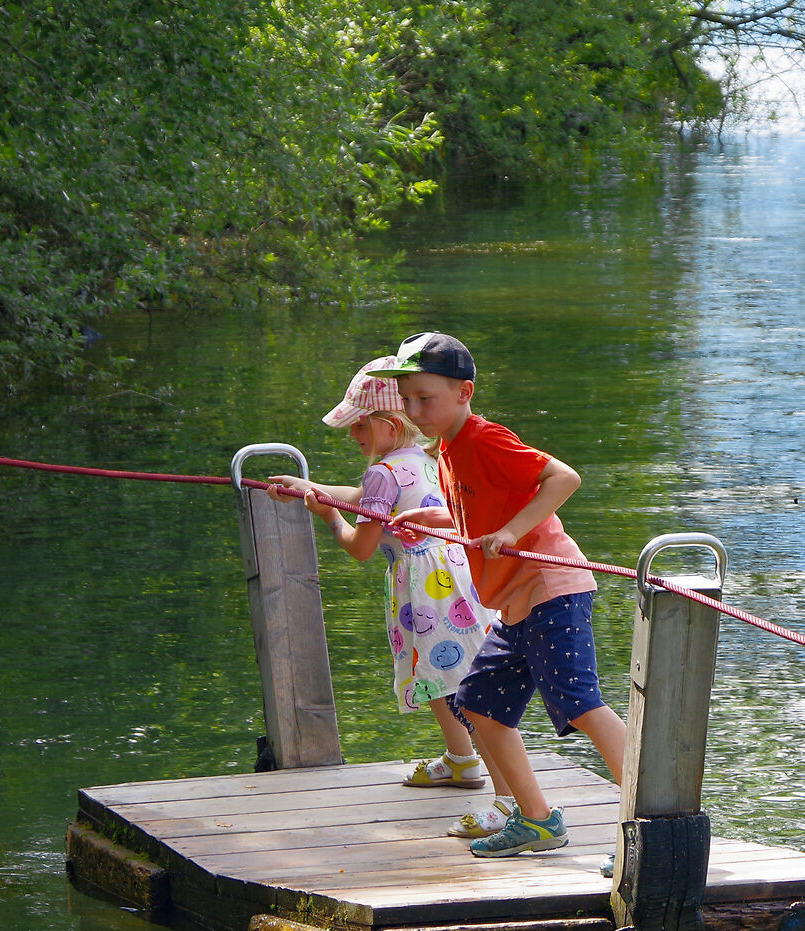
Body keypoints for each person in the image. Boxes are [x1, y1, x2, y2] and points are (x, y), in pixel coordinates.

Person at [378, 331, 629, 859]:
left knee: (582, 705)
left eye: (426, 397)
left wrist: (514, 533)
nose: (415, 409)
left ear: (464, 392)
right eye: (407, 400)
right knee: (480, 705)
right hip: (515, 605)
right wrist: (431, 517)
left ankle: (655, 824)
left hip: (552, 589)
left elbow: (564, 478)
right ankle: (538, 821)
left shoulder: (485, 439)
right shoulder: (446, 449)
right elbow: (477, 512)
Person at [268, 362, 494, 798]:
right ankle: (461, 757)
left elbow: (361, 547)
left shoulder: (381, 472)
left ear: (389, 426)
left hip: (423, 585)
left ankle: (472, 762)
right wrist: (308, 485)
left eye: (358, 426)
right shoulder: (429, 458)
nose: (352, 436)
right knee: (448, 670)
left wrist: (329, 516)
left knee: (438, 674)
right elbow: (369, 500)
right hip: (460, 576)